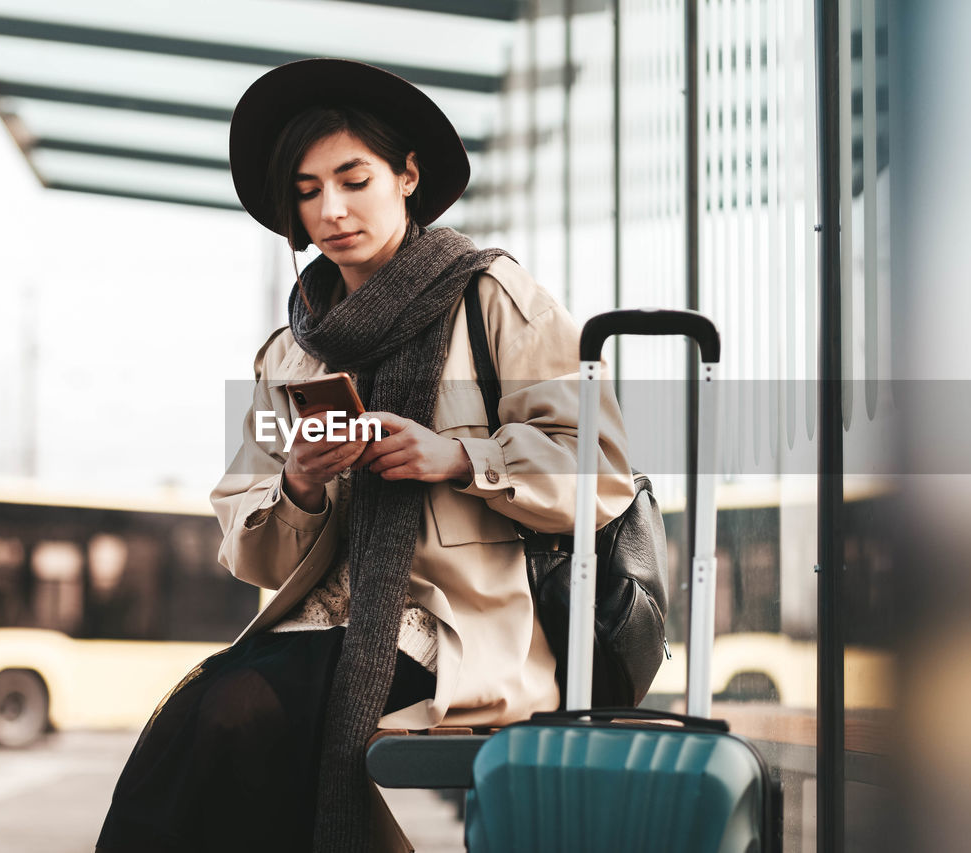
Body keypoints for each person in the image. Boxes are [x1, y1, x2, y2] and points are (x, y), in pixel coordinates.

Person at [96, 58, 636, 853]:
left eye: (353, 179)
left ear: (407, 174)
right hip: (320, 626)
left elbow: (601, 472)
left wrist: (457, 457)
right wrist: (299, 484)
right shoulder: (291, 353)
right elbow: (249, 548)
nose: (332, 210)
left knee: (229, 713)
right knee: (202, 723)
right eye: (308, 191)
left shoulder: (491, 297)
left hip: (454, 631)